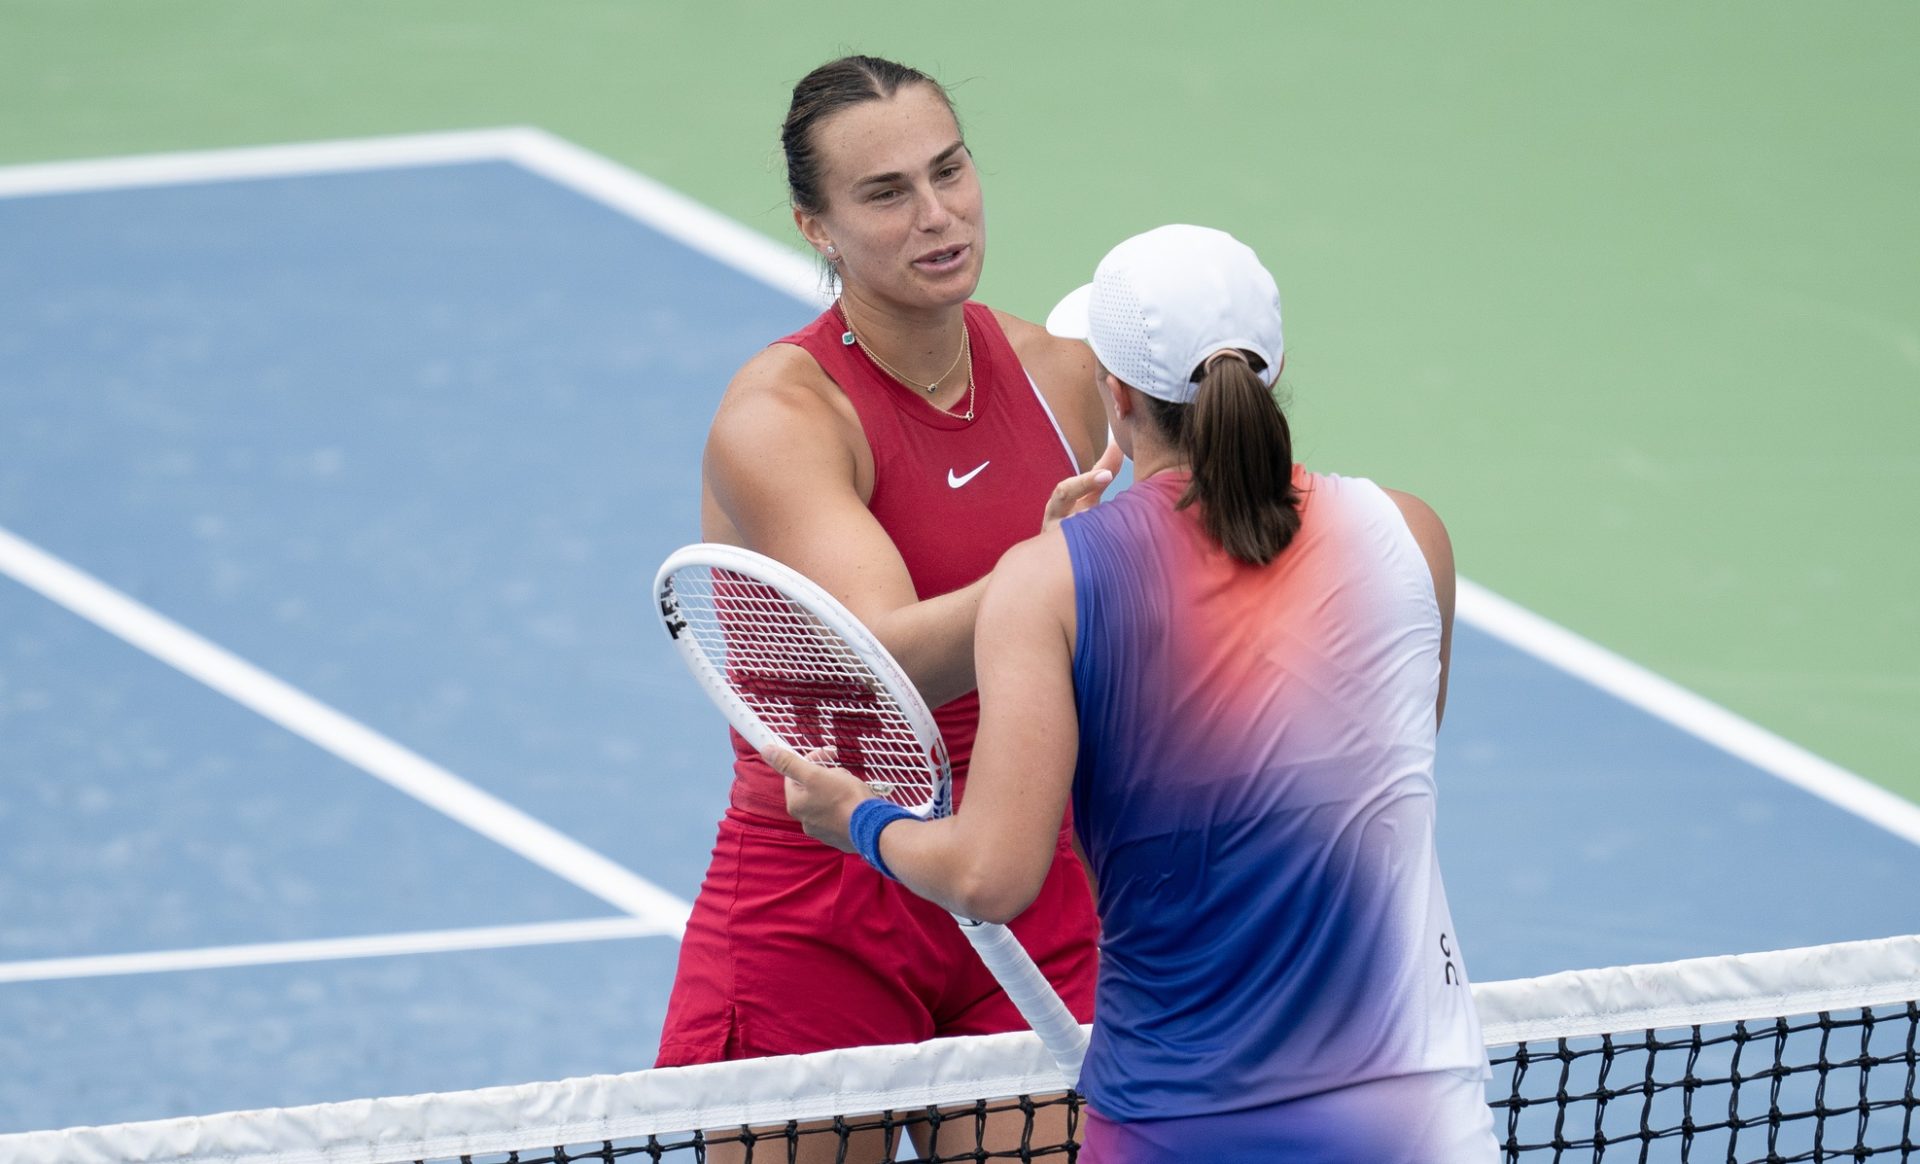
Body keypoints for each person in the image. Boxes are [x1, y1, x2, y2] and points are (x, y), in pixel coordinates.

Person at [778, 224, 1501, 1162]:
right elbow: (1380, 760)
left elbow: (990, 877)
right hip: (1417, 1117)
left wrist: (859, 819)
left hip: (1177, 1124)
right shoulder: (1412, 537)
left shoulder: (1051, 585)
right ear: (1272, 370)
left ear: (1116, 396)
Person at [657, 53, 1114, 1154]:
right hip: (828, 896)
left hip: (1024, 877)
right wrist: (1050, 572)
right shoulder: (781, 418)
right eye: (885, 193)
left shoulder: (1065, 379)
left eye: (949, 172)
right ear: (818, 227)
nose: (937, 214)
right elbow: (888, 662)